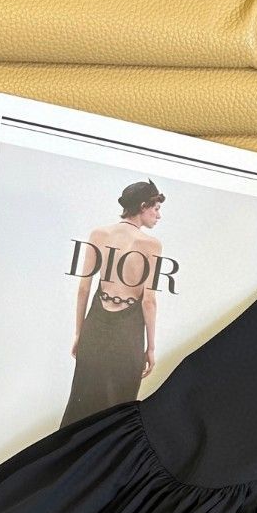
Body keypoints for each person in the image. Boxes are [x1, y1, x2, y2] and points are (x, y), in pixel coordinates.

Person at [58, 178, 163, 429]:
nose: (159, 216)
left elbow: (84, 289)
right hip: (128, 334)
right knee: (118, 408)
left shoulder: (99, 234)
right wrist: (150, 348)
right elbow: (149, 301)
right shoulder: (151, 245)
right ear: (143, 206)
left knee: (81, 404)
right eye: (156, 209)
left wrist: (79, 333)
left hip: (95, 327)